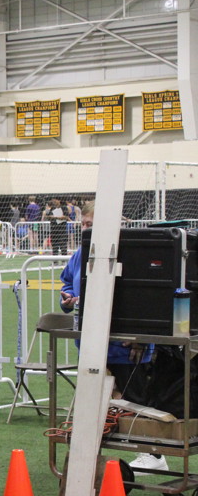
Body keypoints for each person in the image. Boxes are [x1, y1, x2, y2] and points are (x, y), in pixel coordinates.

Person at [57, 201, 158, 471]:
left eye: (90, 224)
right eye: (83, 224)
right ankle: (91, 459)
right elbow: (68, 282)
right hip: (91, 342)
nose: (85, 229)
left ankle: (151, 456)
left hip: (125, 346)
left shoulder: (130, 252)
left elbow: (148, 295)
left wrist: (142, 336)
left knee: (134, 402)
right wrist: (67, 298)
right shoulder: (81, 253)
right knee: (95, 404)